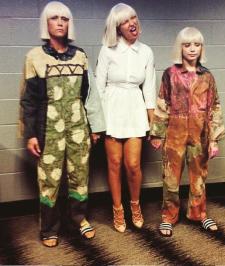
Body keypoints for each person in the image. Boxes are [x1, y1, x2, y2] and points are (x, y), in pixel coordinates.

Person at [20, 1, 105, 247]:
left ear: (70, 24)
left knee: (80, 173)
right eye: (54, 18)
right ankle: (49, 227)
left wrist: (94, 127)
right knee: (50, 178)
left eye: (65, 18)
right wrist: (31, 134)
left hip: (78, 127)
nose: (60, 22)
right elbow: (29, 100)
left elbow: (91, 94)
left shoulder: (80, 56)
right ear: (46, 23)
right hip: (49, 129)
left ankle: (79, 218)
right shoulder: (34, 57)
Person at [150, 27, 225, 237]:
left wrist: (214, 139)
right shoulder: (170, 74)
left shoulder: (207, 76)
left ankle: (198, 213)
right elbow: (162, 103)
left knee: (199, 176)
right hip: (174, 133)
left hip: (200, 134)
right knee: (171, 177)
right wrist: (157, 133)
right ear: (180, 48)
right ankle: (168, 216)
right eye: (187, 45)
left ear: (202, 48)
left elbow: (215, 107)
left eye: (196, 45)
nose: (192, 49)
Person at [95, 3, 156, 233]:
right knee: (114, 164)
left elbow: (149, 88)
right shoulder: (107, 50)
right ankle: (118, 209)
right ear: (117, 27)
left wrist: (153, 122)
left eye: (134, 18)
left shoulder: (147, 51)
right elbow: (99, 89)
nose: (132, 23)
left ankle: (135, 205)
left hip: (134, 107)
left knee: (133, 165)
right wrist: (97, 123)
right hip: (112, 107)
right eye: (125, 21)